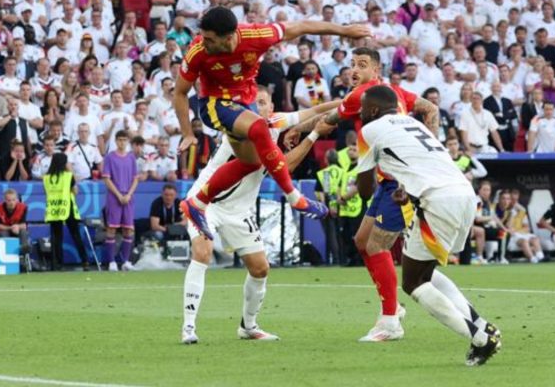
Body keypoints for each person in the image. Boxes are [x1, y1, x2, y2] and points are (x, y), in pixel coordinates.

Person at [176, 8, 367, 237]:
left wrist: (344, 30)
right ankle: (295, 198)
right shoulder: (197, 50)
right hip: (213, 104)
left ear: (228, 37)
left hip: (244, 105)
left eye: (209, 39)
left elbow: (302, 26)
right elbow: (179, 92)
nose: (202, 42)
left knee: (252, 163)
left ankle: (197, 203)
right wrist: (187, 133)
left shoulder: (256, 36)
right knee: (260, 127)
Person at [354, 84, 501, 366]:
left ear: (372, 109)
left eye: (362, 108)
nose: (360, 113)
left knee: (412, 282)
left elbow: (363, 190)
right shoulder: (412, 123)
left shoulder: (369, 130)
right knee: (426, 271)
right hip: (463, 194)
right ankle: (481, 325)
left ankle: (480, 339)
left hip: (438, 200)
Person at [182, 87, 337, 344]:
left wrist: (349, 102)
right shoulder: (240, 131)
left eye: (262, 102)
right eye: (252, 103)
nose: (256, 107)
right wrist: (313, 135)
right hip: (206, 204)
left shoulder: (274, 124)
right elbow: (282, 168)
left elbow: (314, 111)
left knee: (260, 268)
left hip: (238, 211)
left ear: (271, 107)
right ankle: (188, 327)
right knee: (202, 252)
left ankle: (249, 326)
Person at [317, 47, 439, 342]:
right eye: (351, 65)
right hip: (388, 180)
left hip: (399, 183)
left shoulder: (362, 94)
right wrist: (430, 144)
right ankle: (392, 308)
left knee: (376, 246)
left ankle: (390, 321)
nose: (354, 71)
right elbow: (431, 109)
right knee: (362, 241)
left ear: (376, 70)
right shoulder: (397, 91)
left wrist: (300, 131)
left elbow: (327, 119)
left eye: (362, 65)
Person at [43, 152, 89, 271]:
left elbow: (46, 192)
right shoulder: (68, 176)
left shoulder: (46, 178)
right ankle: (85, 261)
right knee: (75, 234)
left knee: (57, 237)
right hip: (67, 207)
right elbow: (75, 191)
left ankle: (58, 264)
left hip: (54, 208)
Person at [102, 130, 140, 271]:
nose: (122, 142)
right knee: (111, 228)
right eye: (119, 140)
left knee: (128, 230)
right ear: (116, 141)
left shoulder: (131, 158)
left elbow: (135, 179)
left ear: (127, 141)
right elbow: (106, 178)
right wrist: (119, 195)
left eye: (124, 140)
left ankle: (125, 261)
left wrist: (129, 194)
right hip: (114, 197)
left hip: (128, 197)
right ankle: (111, 262)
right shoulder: (110, 157)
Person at [496, 189, 543, 263]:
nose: (514, 202)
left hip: (520, 233)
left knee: (535, 239)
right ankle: (533, 259)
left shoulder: (522, 211)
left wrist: (518, 231)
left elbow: (527, 228)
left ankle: (541, 257)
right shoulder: (503, 210)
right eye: (512, 200)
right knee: (524, 242)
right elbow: (507, 228)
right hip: (511, 236)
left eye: (516, 200)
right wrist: (512, 214)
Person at [0, 188, 30, 257]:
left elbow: (24, 225)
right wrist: (11, 228)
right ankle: (8, 254)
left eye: (14, 200)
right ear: (5, 200)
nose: (12, 202)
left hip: (17, 231)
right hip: (5, 231)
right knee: (3, 233)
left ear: (17, 199)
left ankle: (23, 252)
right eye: (9, 200)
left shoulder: (23, 207)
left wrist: (17, 227)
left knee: (23, 232)